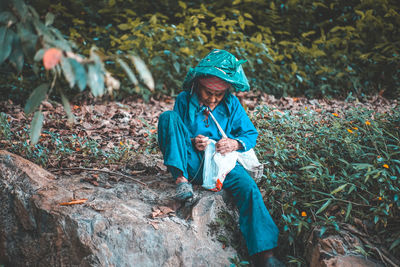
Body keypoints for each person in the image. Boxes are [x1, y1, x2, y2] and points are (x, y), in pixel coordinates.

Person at [157, 49, 284, 267]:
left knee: (249, 188)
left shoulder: (231, 104)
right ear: (197, 85)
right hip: (191, 164)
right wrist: (193, 141)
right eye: (208, 93)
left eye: (219, 94)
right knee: (167, 118)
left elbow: (250, 134)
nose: (213, 98)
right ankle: (180, 181)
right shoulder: (184, 100)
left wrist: (234, 143)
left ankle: (265, 255)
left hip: (220, 165)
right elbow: (175, 132)